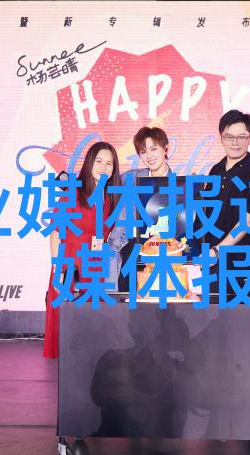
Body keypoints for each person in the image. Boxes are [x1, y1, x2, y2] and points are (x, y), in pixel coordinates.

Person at [43, 141, 121, 359]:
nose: (104, 167)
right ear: (89, 163)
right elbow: (55, 233)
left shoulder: (110, 198)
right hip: (69, 265)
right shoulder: (74, 193)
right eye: (99, 161)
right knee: (68, 331)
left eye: (109, 163)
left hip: (94, 267)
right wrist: (58, 271)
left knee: (91, 331)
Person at [202, 109, 250, 294]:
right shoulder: (216, 170)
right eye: (229, 136)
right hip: (212, 262)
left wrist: (218, 250)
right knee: (211, 309)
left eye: (241, 136)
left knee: (237, 312)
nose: (235, 142)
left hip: (240, 263)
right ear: (221, 138)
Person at [108, 126, 172, 292]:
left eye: (154, 149)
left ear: (166, 148)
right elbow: (99, 187)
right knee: (126, 302)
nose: (149, 156)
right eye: (143, 151)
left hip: (162, 253)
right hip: (130, 251)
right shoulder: (129, 179)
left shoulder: (180, 186)